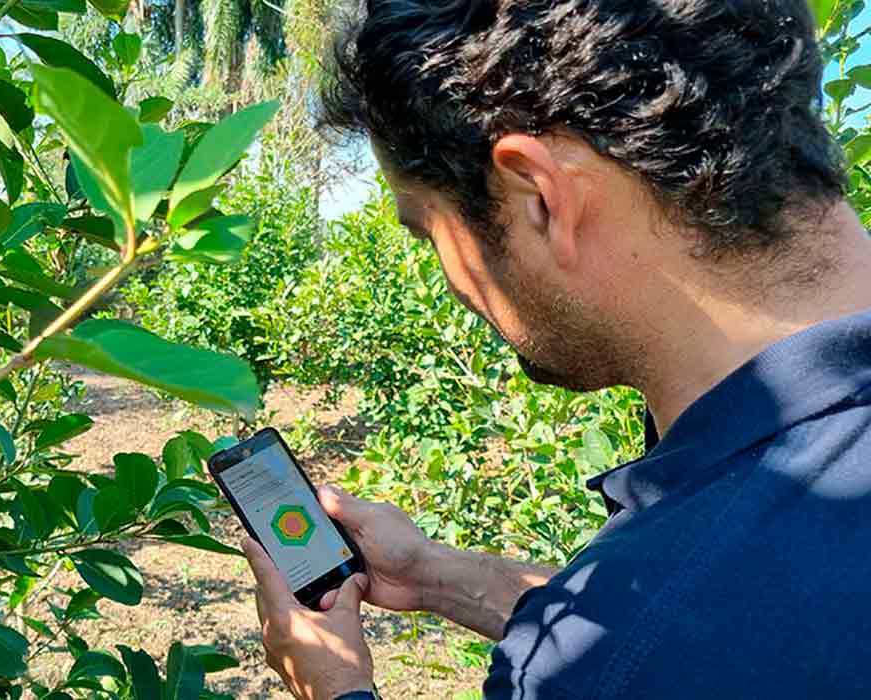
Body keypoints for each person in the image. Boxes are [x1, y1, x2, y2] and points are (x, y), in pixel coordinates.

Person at [240, 0, 871, 698]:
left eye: (426, 231)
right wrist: (431, 573)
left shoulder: (612, 659)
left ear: (540, 195)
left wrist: (336, 687)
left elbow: (655, 643)